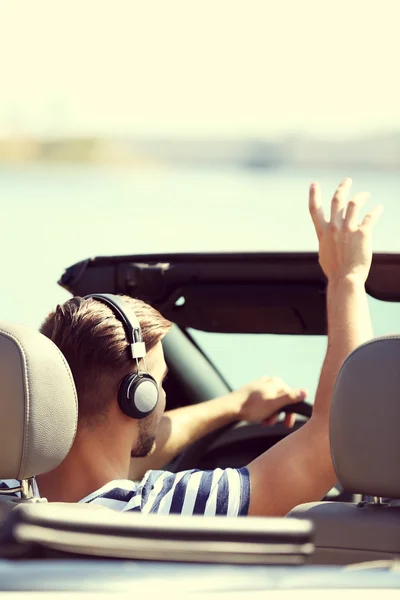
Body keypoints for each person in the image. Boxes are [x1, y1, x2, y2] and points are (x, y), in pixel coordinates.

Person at [28, 178, 384, 516]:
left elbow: (110, 452)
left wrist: (236, 405)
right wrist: (347, 279)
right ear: (138, 398)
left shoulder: (13, 495)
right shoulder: (158, 511)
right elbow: (331, 439)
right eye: (159, 381)